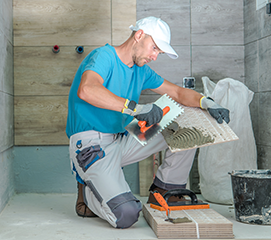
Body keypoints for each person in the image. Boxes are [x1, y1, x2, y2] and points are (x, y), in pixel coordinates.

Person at [65, 16, 230, 229]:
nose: (154, 56)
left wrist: (205, 102)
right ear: (139, 35)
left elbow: (177, 92)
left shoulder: (141, 70)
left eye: (158, 53)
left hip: (121, 139)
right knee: (126, 214)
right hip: (91, 146)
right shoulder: (103, 56)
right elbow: (87, 90)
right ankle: (87, 193)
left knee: (185, 118)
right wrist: (137, 109)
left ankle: (165, 189)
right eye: (154, 48)